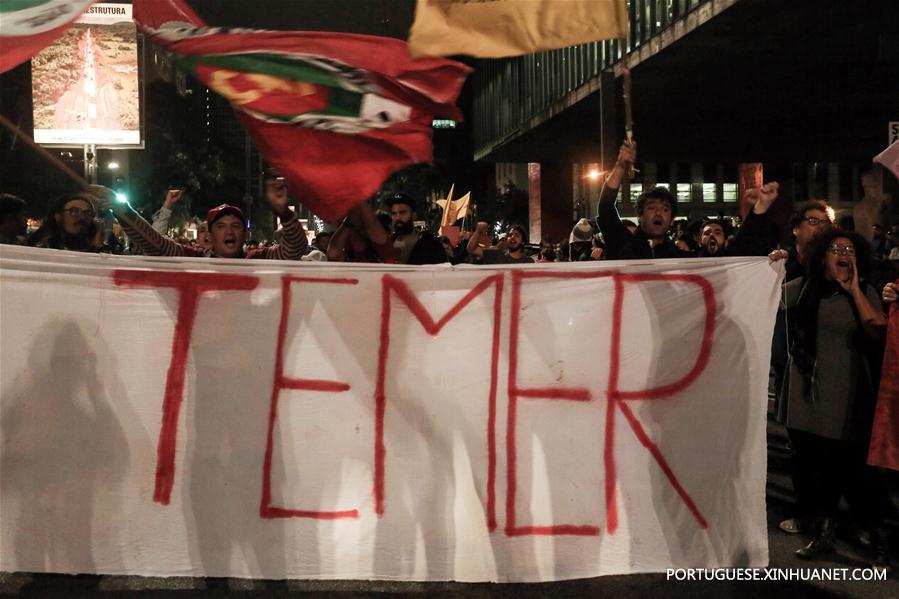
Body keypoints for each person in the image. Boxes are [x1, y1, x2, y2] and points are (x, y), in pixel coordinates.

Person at [778, 229, 892, 571]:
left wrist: (854, 289)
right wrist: (769, 267)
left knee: (853, 468)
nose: (843, 252)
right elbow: (763, 299)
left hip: (852, 393)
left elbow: (878, 328)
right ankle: (823, 531)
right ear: (820, 257)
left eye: (849, 249)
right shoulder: (804, 289)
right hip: (809, 396)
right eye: (835, 248)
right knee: (817, 468)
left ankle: (861, 526)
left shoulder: (866, 291)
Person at [90, 184, 308, 259]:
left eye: (235, 226)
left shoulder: (259, 259)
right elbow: (154, 243)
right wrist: (123, 211)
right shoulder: (192, 258)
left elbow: (295, 248)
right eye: (221, 227)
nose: (229, 232)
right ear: (209, 236)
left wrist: (284, 213)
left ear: (245, 234)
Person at [26, 193, 101, 252]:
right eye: (74, 211)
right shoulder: (41, 248)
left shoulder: (97, 246)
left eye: (88, 213)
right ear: (58, 216)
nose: (82, 218)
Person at [385, 193, 447, 265]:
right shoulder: (388, 243)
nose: (398, 217)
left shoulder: (430, 244)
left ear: (414, 215)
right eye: (394, 213)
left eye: (402, 212)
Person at [327, 202, 394, 263]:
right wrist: (349, 222)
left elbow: (371, 223)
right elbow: (332, 253)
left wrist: (359, 198)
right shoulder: (348, 234)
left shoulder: (378, 236)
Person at [467, 222, 533, 264]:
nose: (512, 237)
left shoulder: (528, 262)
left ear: (523, 242)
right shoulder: (496, 255)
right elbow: (471, 249)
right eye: (510, 235)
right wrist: (478, 231)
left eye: (517, 235)